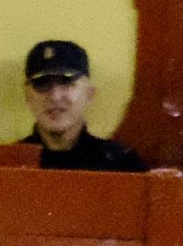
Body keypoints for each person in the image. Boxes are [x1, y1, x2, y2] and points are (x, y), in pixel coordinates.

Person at [20, 39, 148, 172]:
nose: (55, 96)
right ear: (28, 97)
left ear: (89, 94)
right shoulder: (9, 165)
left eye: (66, 83)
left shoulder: (121, 166)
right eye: (42, 84)